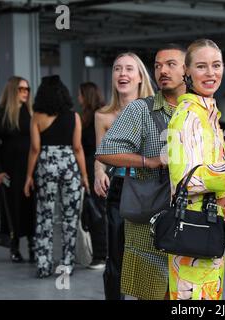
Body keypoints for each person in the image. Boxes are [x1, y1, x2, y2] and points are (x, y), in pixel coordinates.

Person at [167, 39, 225, 300]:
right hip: (193, 231)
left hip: (210, 229)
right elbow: (186, 179)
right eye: (201, 66)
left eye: (216, 65)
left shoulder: (209, 113)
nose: (210, 73)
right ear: (187, 72)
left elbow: (214, 166)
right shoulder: (187, 116)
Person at [96, 44, 186, 300]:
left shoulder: (200, 109)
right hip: (140, 202)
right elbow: (103, 152)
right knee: (145, 284)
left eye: (170, 64)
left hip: (188, 209)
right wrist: (151, 161)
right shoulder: (138, 110)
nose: (163, 70)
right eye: (158, 65)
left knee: (183, 288)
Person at [94, 52, 154, 300]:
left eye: (129, 69)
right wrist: (98, 173)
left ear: (140, 77)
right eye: (117, 69)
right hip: (119, 188)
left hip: (150, 188)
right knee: (116, 257)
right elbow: (100, 154)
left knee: (148, 256)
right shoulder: (103, 115)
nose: (123, 74)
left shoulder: (154, 110)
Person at [23, 75, 89, 278]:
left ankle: (43, 265)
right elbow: (78, 148)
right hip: (69, 164)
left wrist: (28, 177)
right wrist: (85, 176)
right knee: (70, 217)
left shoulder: (37, 117)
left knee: (45, 216)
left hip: (46, 164)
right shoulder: (74, 117)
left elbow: (34, 148)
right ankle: (67, 264)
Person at [0, 76, 36, 263]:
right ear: (12, 90)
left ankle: (33, 243)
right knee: (12, 207)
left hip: (30, 168)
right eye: (21, 89)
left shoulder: (30, 113)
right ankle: (14, 245)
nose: (25, 92)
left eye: (27, 89)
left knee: (31, 205)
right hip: (9, 168)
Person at [78, 82, 107, 269]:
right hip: (100, 167)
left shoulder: (92, 118)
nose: (78, 98)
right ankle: (102, 253)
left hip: (93, 167)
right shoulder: (100, 114)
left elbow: (82, 147)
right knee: (99, 211)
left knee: (95, 212)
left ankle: (100, 255)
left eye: (80, 95)